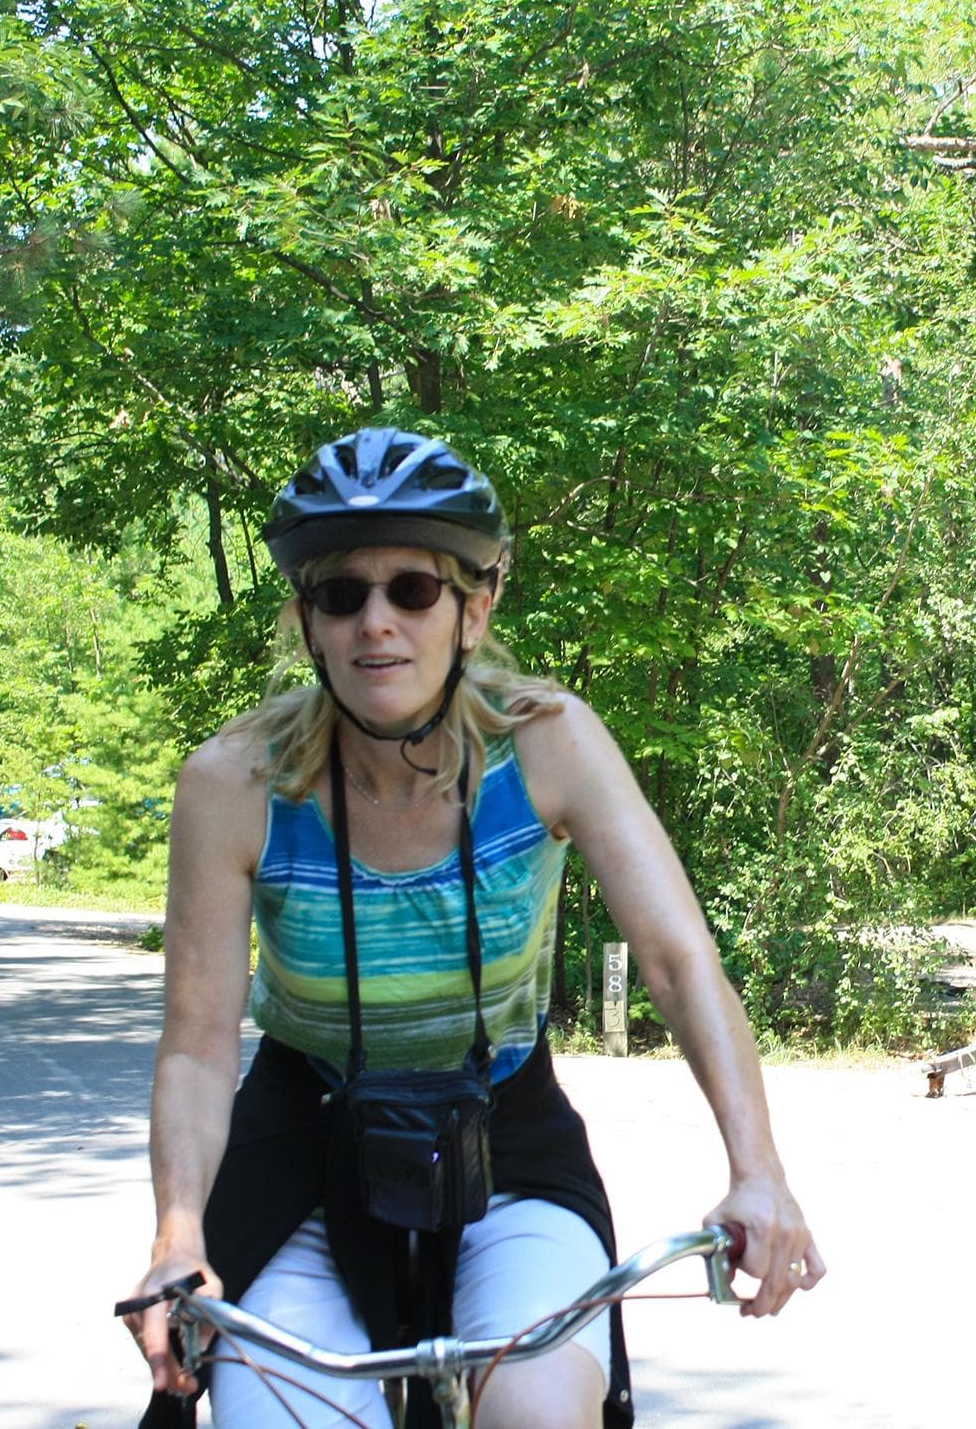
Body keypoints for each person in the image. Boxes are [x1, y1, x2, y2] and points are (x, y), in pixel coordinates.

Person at [122, 427, 823, 1429]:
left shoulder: (547, 743)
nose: (376, 622)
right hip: (304, 1145)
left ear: (474, 608)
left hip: (504, 1138)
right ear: (309, 622)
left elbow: (678, 962)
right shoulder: (233, 782)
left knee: (537, 1411)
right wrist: (178, 1233)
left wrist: (759, 1173)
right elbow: (196, 1046)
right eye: (341, 594)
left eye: (413, 590)